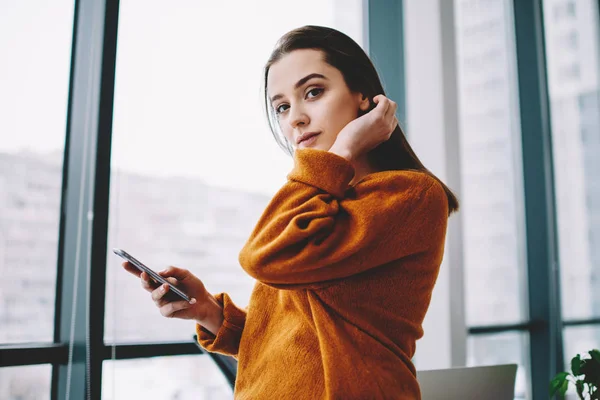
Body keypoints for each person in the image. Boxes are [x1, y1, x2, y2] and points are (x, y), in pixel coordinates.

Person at [123, 25, 459, 400]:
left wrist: (342, 150)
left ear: (364, 96)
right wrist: (208, 312)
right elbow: (296, 342)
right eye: (282, 106)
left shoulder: (410, 195)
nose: (295, 118)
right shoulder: (320, 199)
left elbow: (263, 258)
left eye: (313, 92)